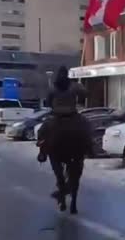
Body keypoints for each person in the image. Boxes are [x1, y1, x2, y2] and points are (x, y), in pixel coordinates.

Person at [37, 65, 92, 200]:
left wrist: (55, 105)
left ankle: (42, 151)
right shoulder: (74, 86)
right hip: (73, 115)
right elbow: (85, 94)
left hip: (56, 117)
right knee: (87, 126)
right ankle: (90, 147)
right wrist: (79, 96)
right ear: (67, 74)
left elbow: (48, 101)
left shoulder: (53, 87)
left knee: (42, 130)